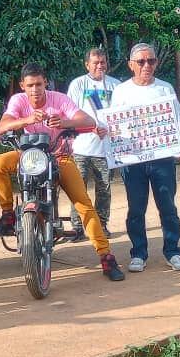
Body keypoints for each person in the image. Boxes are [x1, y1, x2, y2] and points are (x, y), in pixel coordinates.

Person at [0, 62, 125, 282]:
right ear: (23, 85)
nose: (35, 89)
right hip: (28, 157)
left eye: (39, 84)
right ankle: (7, 214)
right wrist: (26, 120)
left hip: (58, 157)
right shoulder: (18, 101)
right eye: (30, 85)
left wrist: (64, 122)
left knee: (83, 203)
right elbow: (2, 126)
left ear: (46, 83)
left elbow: (88, 120)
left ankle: (106, 256)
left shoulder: (59, 99)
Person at [110, 43, 180, 273]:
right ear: (131, 65)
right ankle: (138, 253)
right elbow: (113, 125)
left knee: (167, 205)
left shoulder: (165, 89)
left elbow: (178, 119)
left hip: (162, 158)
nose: (147, 65)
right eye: (141, 62)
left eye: (151, 61)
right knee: (136, 208)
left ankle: (173, 252)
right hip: (133, 161)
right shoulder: (121, 91)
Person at [66, 47, 121, 240]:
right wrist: (88, 129)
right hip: (81, 146)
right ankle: (77, 227)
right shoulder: (77, 85)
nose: (100, 66)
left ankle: (102, 225)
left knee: (104, 188)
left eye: (103, 62)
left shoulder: (116, 86)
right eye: (95, 63)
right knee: (77, 187)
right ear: (87, 64)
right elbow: (70, 114)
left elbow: (122, 115)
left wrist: (112, 130)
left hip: (106, 148)